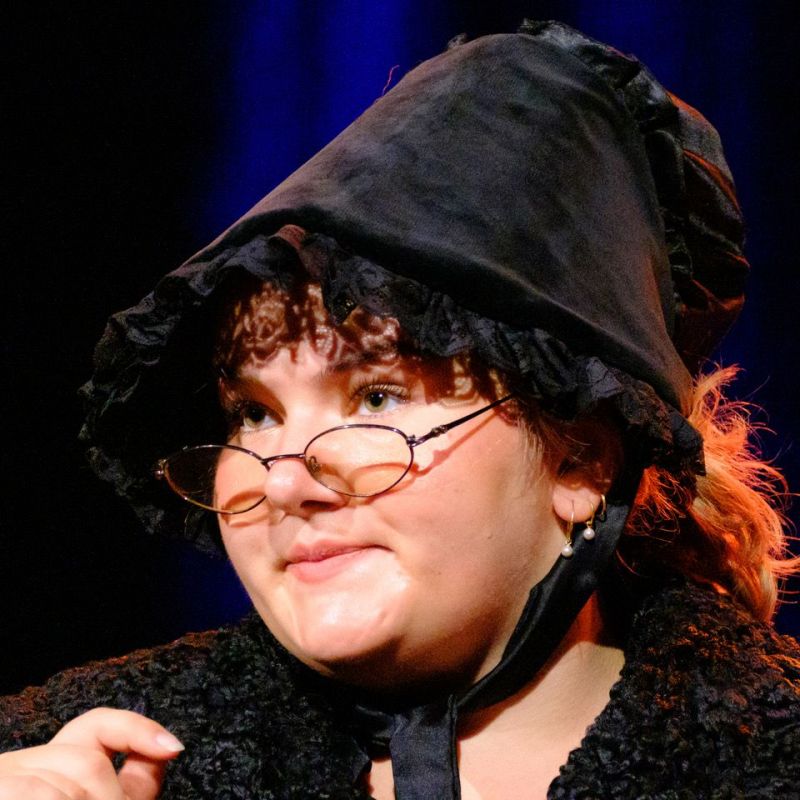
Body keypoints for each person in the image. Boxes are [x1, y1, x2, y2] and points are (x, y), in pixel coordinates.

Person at [1, 19, 799, 800]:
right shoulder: (78, 754)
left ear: (582, 461)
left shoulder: (762, 757)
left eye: (375, 398)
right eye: (251, 414)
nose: (284, 484)